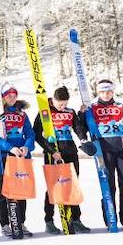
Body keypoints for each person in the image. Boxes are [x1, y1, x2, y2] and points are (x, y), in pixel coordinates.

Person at [80, 79, 123, 231]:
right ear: (98, 92)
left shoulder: (120, 107)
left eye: (109, 91)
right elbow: (82, 127)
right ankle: (110, 219)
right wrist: (81, 114)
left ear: (113, 92)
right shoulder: (91, 108)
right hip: (103, 152)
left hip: (122, 151)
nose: (106, 94)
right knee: (108, 186)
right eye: (103, 92)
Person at [33, 86, 92, 235]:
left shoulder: (70, 112)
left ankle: (75, 220)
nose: (63, 106)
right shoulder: (45, 112)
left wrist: (83, 139)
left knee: (72, 186)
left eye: (65, 103)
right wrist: (51, 151)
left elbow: (78, 128)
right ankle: (49, 221)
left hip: (70, 152)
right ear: (54, 100)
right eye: (61, 104)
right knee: (54, 188)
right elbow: (37, 135)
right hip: (53, 154)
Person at [0, 83, 35, 238]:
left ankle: (20, 222)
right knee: (4, 192)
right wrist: (9, 147)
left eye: (14, 95)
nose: (12, 98)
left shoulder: (22, 114)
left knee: (21, 192)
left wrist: (27, 147)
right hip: (3, 158)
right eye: (9, 95)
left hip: (20, 158)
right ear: (3, 97)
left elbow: (30, 134)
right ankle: (6, 224)